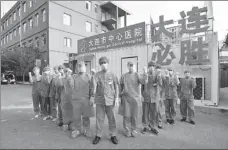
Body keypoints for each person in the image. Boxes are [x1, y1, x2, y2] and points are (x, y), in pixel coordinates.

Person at [92, 56, 119, 145]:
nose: (103, 65)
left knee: (112, 119)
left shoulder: (112, 75)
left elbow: (116, 87)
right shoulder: (97, 75)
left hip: (110, 101)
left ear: (108, 63)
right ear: (100, 65)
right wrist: (93, 76)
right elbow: (94, 85)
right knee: (99, 119)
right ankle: (98, 135)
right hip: (100, 101)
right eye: (102, 63)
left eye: (105, 63)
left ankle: (113, 135)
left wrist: (117, 98)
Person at [119, 61, 147, 138]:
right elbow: (120, 87)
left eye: (132, 65)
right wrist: (119, 97)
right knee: (126, 115)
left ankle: (133, 130)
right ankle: (127, 130)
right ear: (127, 66)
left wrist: (145, 73)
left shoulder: (137, 75)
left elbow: (143, 81)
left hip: (135, 99)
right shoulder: (123, 76)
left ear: (134, 66)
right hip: (126, 98)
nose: (131, 67)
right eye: (129, 65)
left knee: (134, 115)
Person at [69, 61, 95, 139]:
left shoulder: (89, 76)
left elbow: (92, 88)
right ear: (77, 68)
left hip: (86, 100)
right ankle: (77, 130)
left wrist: (92, 97)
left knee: (86, 116)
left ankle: (86, 129)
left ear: (85, 67)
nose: (81, 68)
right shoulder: (74, 76)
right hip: (76, 100)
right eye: (79, 66)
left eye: (82, 66)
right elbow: (71, 86)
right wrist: (70, 80)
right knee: (76, 116)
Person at [141, 61, 163, 135]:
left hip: (154, 97)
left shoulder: (157, 74)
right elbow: (142, 85)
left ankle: (153, 127)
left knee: (154, 113)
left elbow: (160, 83)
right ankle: (145, 126)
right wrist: (142, 95)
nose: (152, 67)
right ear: (148, 67)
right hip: (146, 96)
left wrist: (159, 77)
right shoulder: (144, 74)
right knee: (145, 113)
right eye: (150, 66)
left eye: (153, 66)